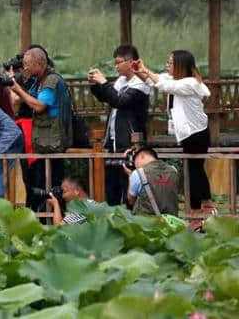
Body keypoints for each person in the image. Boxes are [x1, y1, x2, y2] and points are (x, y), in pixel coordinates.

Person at [134, 50, 213, 211]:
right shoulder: (175, 80)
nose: (167, 65)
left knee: (194, 171)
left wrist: (146, 70)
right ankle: (203, 205)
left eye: (170, 63)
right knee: (194, 169)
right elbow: (153, 82)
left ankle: (200, 208)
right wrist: (140, 70)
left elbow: (164, 85)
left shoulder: (190, 83)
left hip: (197, 133)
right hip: (189, 133)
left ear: (180, 66)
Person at [9, 47, 73, 209]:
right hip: (44, 142)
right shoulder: (38, 80)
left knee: (52, 185)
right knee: (40, 185)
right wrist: (16, 86)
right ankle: (43, 220)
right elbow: (25, 99)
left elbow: (39, 106)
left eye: (27, 65)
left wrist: (17, 89)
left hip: (54, 141)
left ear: (39, 63)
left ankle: (55, 220)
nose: (25, 68)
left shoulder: (51, 81)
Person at [88, 45, 151, 206]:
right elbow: (107, 97)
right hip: (113, 142)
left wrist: (104, 82)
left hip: (130, 143)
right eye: (114, 63)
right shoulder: (121, 81)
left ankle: (130, 221)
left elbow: (120, 101)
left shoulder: (141, 83)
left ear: (131, 62)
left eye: (118, 62)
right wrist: (96, 85)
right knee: (112, 186)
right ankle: (112, 221)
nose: (116, 66)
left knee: (129, 186)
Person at [123, 146, 179, 216]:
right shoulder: (173, 170)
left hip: (146, 224)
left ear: (142, 156)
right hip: (171, 222)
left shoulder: (138, 173)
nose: (135, 165)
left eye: (135, 161)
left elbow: (130, 201)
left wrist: (130, 176)